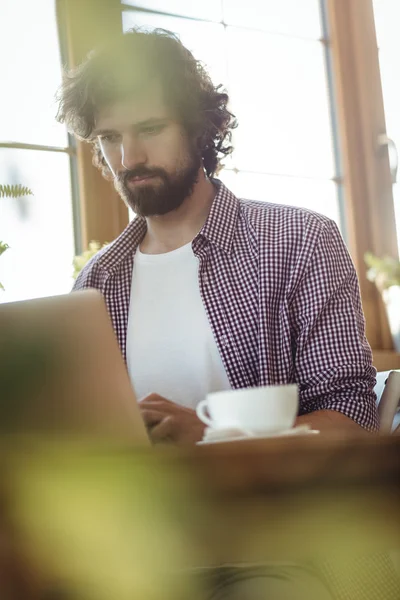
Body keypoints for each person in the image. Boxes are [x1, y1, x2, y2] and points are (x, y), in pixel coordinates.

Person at [56, 28, 400, 600]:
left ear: (197, 126)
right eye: (110, 137)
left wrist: (212, 436)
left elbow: (351, 425)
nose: (128, 158)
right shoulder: (95, 285)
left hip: (277, 550)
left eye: (149, 130)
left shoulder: (299, 241)